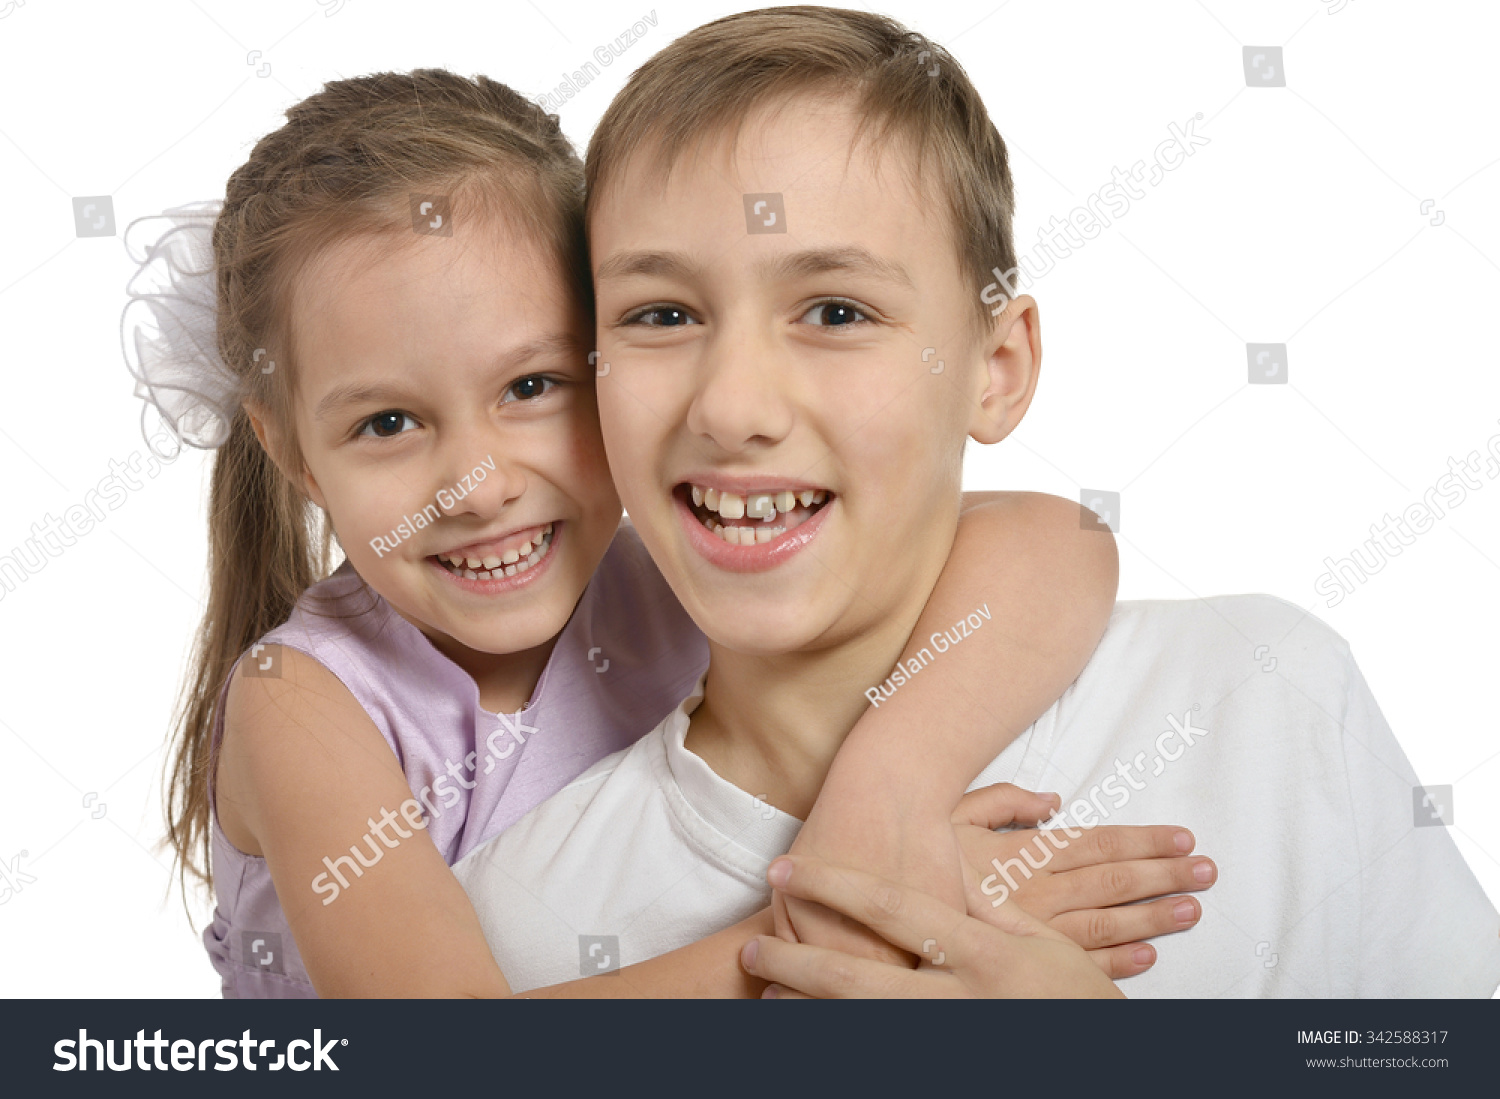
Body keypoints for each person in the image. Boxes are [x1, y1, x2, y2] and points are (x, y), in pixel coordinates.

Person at [453, 6, 1500, 998]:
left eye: (833, 309)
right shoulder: (520, 922)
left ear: (995, 368)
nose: (732, 406)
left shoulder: (1266, 698)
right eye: (664, 312)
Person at [127, 69, 1203, 998]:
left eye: (534, 385)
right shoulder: (301, 707)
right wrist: (851, 925)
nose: (477, 483)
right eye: (388, 423)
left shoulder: (662, 572)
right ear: (294, 452)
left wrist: (887, 802)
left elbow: (1056, 540)